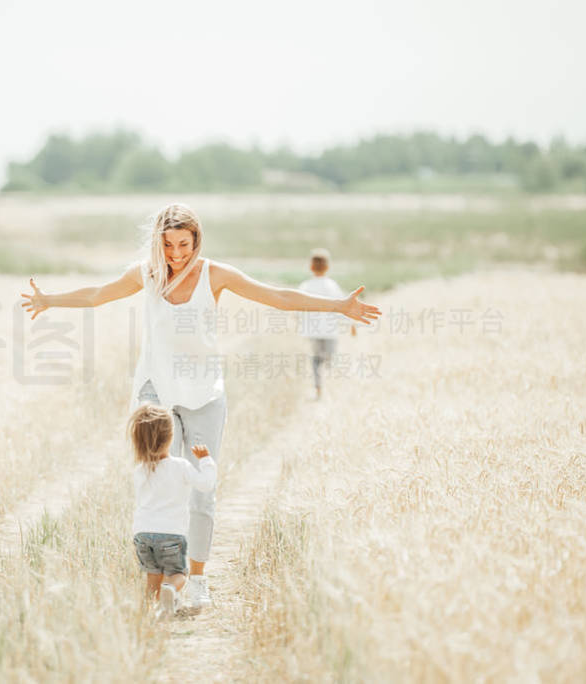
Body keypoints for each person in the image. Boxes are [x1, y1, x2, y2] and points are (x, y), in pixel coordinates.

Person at [20, 203, 381, 607]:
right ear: (159, 241)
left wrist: (338, 307)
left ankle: (196, 580)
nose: (176, 254)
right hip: (155, 390)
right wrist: (49, 300)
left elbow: (276, 297)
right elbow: (98, 295)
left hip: (205, 393)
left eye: (184, 244)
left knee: (201, 493)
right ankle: (162, 581)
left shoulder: (215, 274)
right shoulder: (147, 273)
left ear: (197, 240)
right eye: (169, 244)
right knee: (160, 481)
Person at [128, 403, 216, 616]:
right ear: (169, 438)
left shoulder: (140, 471)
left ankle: (149, 612)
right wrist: (205, 460)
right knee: (178, 575)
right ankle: (171, 590)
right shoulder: (181, 466)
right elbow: (206, 484)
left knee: (153, 577)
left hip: (142, 534)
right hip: (171, 534)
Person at [298, 248, 357, 400]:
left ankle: (319, 388)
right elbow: (342, 307)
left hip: (313, 331)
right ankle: (329, 387)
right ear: (327, 267)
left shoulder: (305, 286)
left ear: (311, 267)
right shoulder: (331, 286)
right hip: (330, 330)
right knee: (330, 358)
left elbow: (297, 307)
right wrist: (351, 323)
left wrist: (300, 324)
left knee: (316, 360)